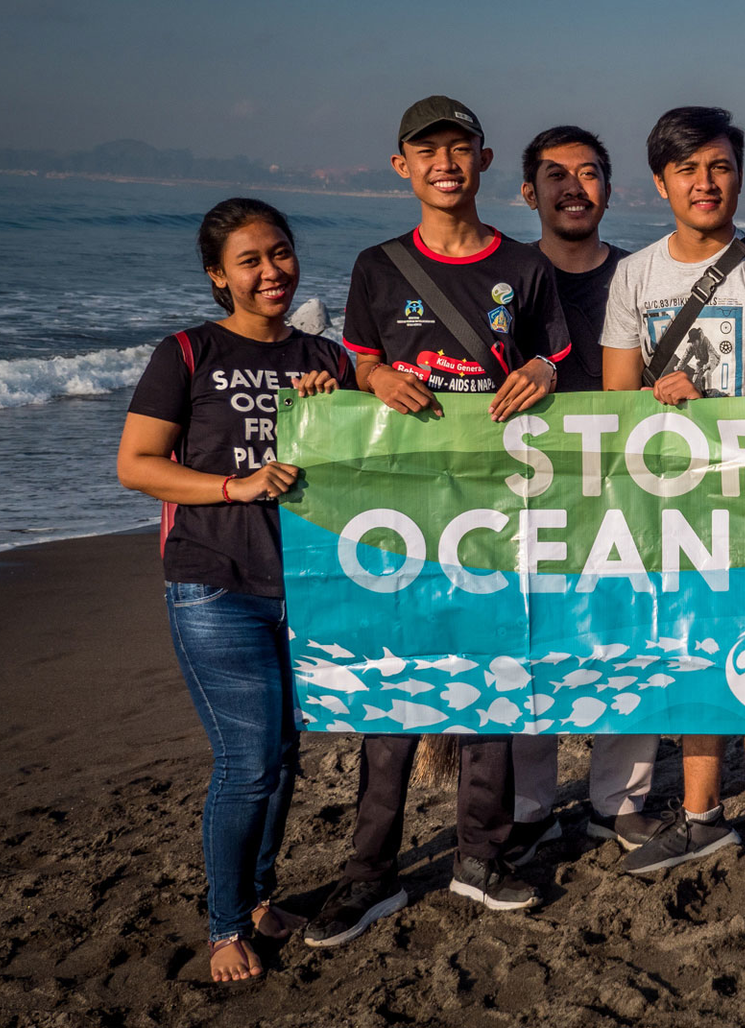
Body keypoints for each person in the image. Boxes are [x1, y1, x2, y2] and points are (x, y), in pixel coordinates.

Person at [305, 95, 571, 949]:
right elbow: (360, 362)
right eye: (428, 152)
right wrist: (376, 377)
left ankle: (480, 858)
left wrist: (539, 372)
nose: (444, 164)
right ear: (402, 167)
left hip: (496, 511)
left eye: (459, 149)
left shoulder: (525, 266)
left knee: (492, 685)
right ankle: (369, 875)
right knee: (390, 696)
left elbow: (552, 356)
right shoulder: (377, 266)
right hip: (398, 516)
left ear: (485, 162)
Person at [600, 106, 745, 931]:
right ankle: (700, 819)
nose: (706, 181)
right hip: (671, 510)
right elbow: (617, 402)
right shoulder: (633, 278)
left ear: (738, 174)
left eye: (720, 165)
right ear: (660, 182)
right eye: (687, 168)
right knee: (692, 660)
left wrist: (718, 402)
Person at [116, 198, 355, 982]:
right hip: (214, 584)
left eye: (280, 253)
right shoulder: (187, 352)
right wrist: (235, 486)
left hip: (307, 587)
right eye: (249, 261)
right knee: (246, 761)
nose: (271, 272)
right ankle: (225, 928)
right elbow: (138, 464)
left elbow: (364, 466)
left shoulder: (327, 358)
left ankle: (257, 899)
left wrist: (339, 407)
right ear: (219, 276)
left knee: (283, 757)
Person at [508, 124, 666, 858]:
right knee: (530, 640)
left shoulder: (641, 278)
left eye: (590, 172)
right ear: (527, 192)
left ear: (611, 187)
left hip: (625, 489)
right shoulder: (503, 282)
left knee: (628, 639)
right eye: (555, 174)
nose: (574, 186)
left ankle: (619, 800)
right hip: (527, 491)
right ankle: (530, 805)